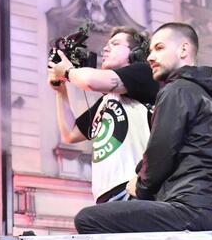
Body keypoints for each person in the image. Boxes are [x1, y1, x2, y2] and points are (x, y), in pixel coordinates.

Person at [73, 22, 212, 240]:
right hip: (210, 211)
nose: (151, 57)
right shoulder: (207, 97)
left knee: (88, 220)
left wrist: (139, 186)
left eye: (159, 48)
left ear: (184, 50)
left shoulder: (176, 91)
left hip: (188, 208)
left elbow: (160, 151)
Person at [48, 26, 159, 204]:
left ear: (136, 53)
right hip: (106, 194)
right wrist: (61, 92)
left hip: (133, 189)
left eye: (115, 44)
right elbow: (70, 134)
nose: (105, 49)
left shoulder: (145, 73)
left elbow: (90, 81)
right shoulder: (109, 99)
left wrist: (68, 71)